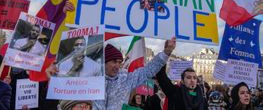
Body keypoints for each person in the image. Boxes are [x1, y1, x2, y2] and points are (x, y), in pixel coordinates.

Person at [48, 37, 176, 110]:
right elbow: (65, 93)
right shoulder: (90, 77)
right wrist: (53, 77)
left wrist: (166, 53)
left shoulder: (126, 78)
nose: (117, 66)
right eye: (114, 61)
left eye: (120, 62)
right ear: (105, 62)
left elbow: (148, 70)